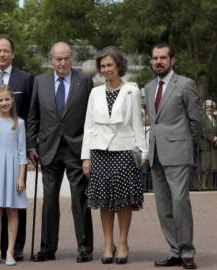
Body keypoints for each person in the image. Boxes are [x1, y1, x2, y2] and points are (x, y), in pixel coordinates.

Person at [27, 42, 94, 263]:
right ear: (51, 60)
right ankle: (47, 248)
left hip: (77, 148)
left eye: (66, 58)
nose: (62, 62)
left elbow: (91, 117)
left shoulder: (84, 81)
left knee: (79, 199)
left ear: (71, 58)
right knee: (49, 200)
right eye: (58, 59)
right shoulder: (40, 81)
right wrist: (31, 145)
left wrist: (89, 150)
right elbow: (33, 117)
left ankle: (85, 248)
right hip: (49, 149)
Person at [81, 46, 148, 264]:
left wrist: (144, 151)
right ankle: (108, 244)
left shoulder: (132, 90)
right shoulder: (95, 92)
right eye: (103, 66)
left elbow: (138, 123)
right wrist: (86, 157)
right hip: (99, 152)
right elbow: (89, 126)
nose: (106, 69)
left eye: (110, 65)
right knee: (104, 201)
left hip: (124, 151)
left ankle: (122, 243)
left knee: (123, 201)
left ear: (119, 66)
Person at [145, 43, 202, 269]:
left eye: (163, 58)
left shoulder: (185, 84)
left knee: (180, 203)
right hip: (156, 155)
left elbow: (196, 121)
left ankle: (187, 252)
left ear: (172, 60)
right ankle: (174, 250)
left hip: (177, 154)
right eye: (155, 58)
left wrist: (183, 143)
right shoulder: (149, 87)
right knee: (163, 207)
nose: (158, 62)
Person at [0, 37, 34, 261]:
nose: (2, 54)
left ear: (13, 54)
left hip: (14, 153)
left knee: (14, 208)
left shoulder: (26, 78)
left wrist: (32, 147)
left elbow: (31, 113)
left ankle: (15, 249)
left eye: (6, 51)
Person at [0, 84, 28, 266]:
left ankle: (10, 251)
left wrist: (21, 177)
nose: (4, 103)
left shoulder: (19, 123)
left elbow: (22, 153)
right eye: (0, 100)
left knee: (12, 210)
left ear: (12, 100)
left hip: (12, 170)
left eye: (7, 99)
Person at [198, 100, 217, 190]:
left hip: (215, 145)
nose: (209, 109)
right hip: (205, 145)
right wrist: (212, 138)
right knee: (205, 165)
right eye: (207, 107)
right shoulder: (202, 118)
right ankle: (203, 184)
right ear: (204, 108)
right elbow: (202, 131)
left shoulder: (216, 118)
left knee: (213, 165)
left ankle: (211, 184)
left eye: (211, 107)